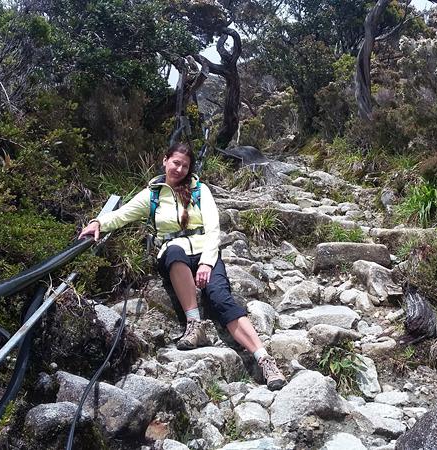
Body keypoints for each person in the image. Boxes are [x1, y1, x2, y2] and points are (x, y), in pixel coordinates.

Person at [78, 143, 287, 391]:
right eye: (175, 162)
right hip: (173, 251)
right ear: (165, 161)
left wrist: (207, 263)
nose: (179, 168)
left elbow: (212, 229)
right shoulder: (152, 195)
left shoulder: (200, 191)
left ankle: (264, 358)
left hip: (204, 250)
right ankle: (194, 324)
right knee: (174, 251)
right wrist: (98, 222)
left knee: (221, 298)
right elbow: (123, 214)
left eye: (185, 165)